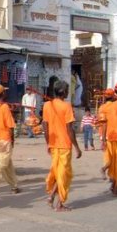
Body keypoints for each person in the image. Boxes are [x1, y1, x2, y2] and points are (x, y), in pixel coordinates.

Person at [42, 80, 82, 211]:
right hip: (64, 145)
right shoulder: (66, 106)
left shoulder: (47, 105)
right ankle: (59, 204)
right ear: (64, 92)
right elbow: (70, 129)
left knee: (59, 173)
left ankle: (51, 197)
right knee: (63, 175)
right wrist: (77, 147)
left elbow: (45, 126)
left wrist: (48, 143)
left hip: (54, 145)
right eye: (67, 90)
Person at [98, 88, 115, 179]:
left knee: (108, 157)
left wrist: (103, 138)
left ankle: (110, 175)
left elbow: (102, 123)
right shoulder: (114, 107)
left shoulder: (101, 107)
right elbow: (105, 123)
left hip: (103, 134)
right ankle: (105, 169)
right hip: (111, 134)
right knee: (115, 157)